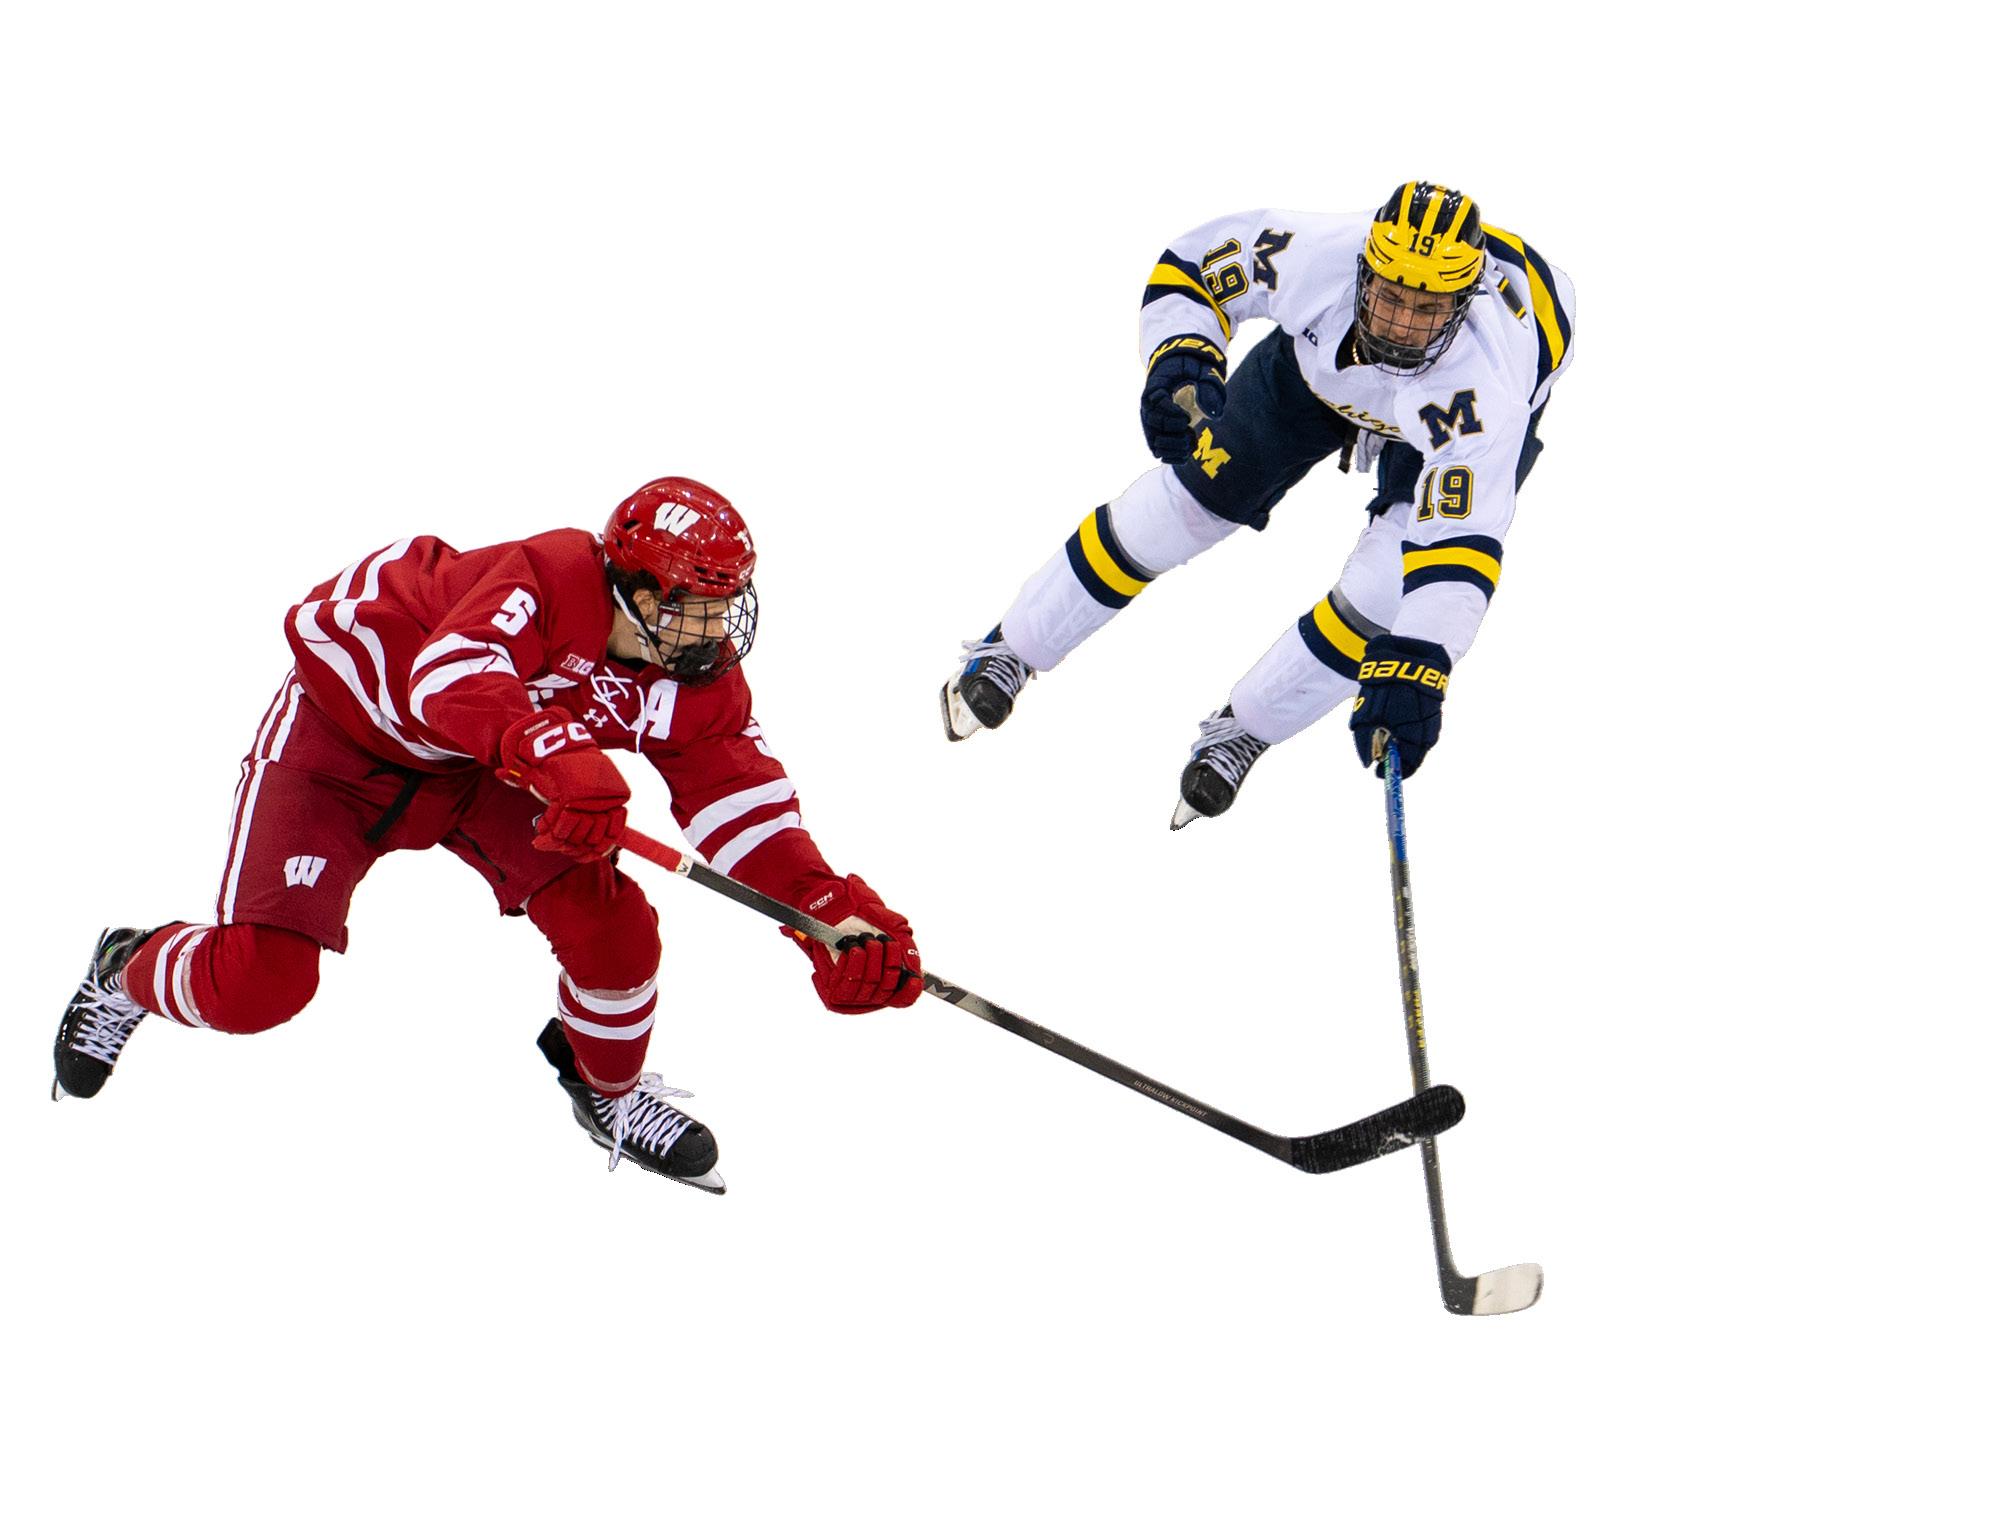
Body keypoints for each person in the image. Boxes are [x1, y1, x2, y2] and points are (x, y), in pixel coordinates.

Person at [52, 477, 924, 1192]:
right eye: (700, 605)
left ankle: (607, 1091)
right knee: (259, 987)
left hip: (487, 765)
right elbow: (448, 673)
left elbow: (743, 801)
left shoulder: (693, 679)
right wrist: (558, 755)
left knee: (615, 931)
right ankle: (125, 968)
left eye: (729, 603)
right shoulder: (547, 575)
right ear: (637, 590)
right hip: (341, 743)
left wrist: (824, 910)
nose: (718, 630)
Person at [939, 181, 1576, 826]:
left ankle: (1247, 728)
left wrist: (1420, 661)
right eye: (1389, 296)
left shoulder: (1489, 388)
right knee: (1182, 508)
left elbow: (1456, 551)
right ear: (1363, 268)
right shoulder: (1315, 254)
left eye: (1428, 307)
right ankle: (1011, 645)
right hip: (1316, 377)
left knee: (1385, 593)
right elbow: (1194, 268)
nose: (1401, 327)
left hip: (1438, 424)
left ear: (1466, 302)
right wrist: (1182, 353)